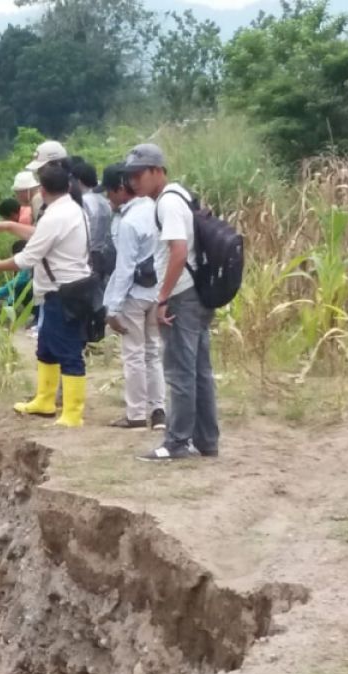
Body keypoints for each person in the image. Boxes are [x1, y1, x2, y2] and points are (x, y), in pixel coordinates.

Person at [124, 143, 219, 461]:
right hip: (196, 293)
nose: (134, 181)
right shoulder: (181, 195)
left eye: (140, 174)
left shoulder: (167, 204)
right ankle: (206, 440)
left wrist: (162, 298)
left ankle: (177, 442)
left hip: (181, 295)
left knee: (179, 372)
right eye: (131, 176)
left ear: (158, 171)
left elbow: (178, 251)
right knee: (199, 370)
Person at [0, 162, 92, 427]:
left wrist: (0, 265)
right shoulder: (71, 209)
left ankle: (72, 413)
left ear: (42, 191)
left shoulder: (56, 216)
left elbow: (29, 256)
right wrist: (9, 227)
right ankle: (45, 401)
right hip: (69, 288)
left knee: (68, 351)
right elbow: (42, 235)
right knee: (45, 346)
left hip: (62, 292)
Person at [103, 164, 166, 430]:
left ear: (121, 189)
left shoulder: (128, 222)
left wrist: (113, 308)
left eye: (110, 192)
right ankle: (159, 411)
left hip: (134, 294)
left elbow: (125, 267)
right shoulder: (155, 209)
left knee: (134, 354)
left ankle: (136, 414)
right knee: (154, 352)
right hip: (159, 291)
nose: (108, 199)